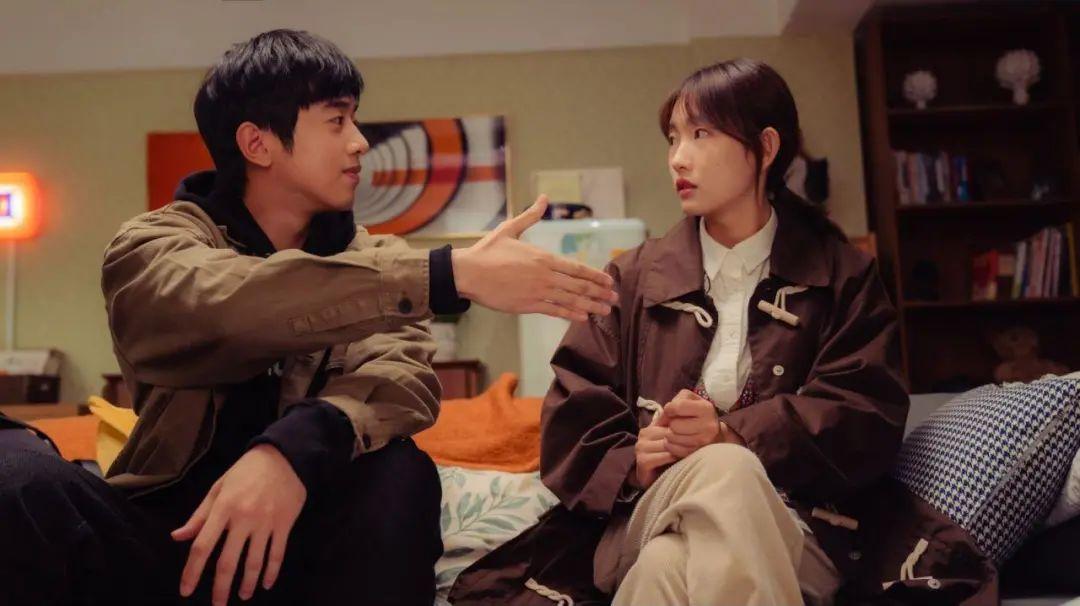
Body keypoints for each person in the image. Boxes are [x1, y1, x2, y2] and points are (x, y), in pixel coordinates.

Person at [0, 29, 615, 606]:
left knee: (400, 471)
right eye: (336, 121)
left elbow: (401, 379)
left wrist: (288, 454)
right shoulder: (151, 245)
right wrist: (448, 273)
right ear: (258, 144)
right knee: (16, 474)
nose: (360, 142)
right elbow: (225, 305)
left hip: (308, 547)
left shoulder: (378, 261)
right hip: (163, 538)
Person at [450, 58, 919, 605]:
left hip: (803, 530)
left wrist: (731, 434)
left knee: (666, 565)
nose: (678, 157)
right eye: (673, 137)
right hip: (649, 511)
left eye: (701, 134)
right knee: (723, 472)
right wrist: (636, 461)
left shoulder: (843, 277)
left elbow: (865, 414)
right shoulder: (631, 279)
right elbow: (572, 420)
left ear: (766, 147)